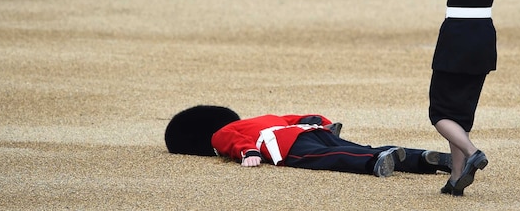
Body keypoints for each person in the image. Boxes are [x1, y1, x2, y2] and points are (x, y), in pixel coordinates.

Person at [401, 0, 510, 196]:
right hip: (484, 38)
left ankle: (473, 152)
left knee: (439, 113)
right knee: (460, 115)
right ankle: (456, 180)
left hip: (456, 38)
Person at [164, 105, 454, 178]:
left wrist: (249, 152)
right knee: (357, 146)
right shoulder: (259, 117)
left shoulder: (222, 133)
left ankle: (374, 162)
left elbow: (230, 141)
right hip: (308, 130)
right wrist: (320, 121)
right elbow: (292, 117)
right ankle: (421, 158)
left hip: (286, 146)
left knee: (334, 157)